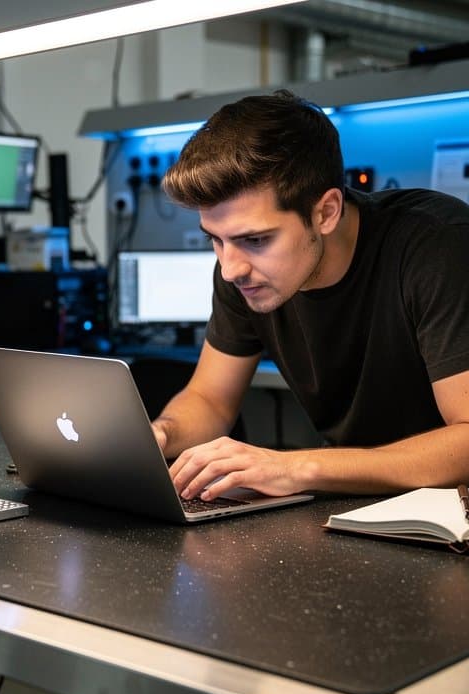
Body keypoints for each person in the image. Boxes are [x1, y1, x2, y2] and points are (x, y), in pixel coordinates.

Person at [154, 89, 469, 504]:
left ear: (326, 212)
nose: (230, 268)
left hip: (447, 511)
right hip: (351, 503)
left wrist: (295, 467)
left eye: (256, 239)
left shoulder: (437, 246)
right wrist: (159, 434)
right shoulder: (241, 269)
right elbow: (210, 400)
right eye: (215, 239)